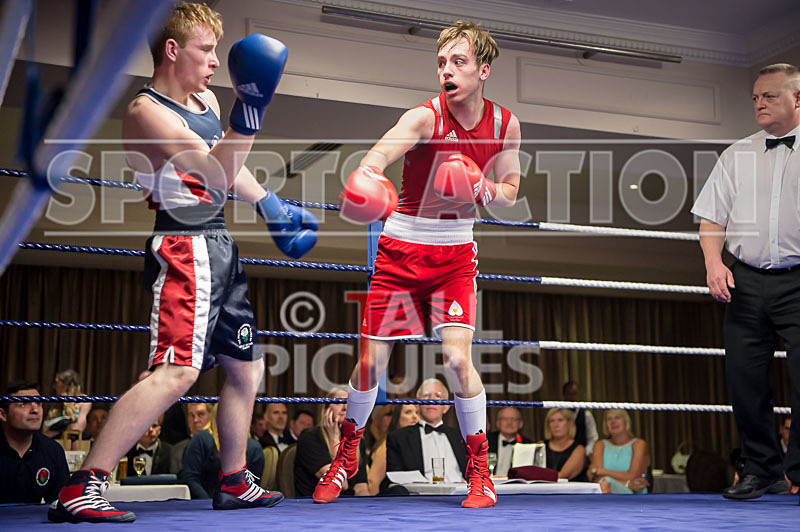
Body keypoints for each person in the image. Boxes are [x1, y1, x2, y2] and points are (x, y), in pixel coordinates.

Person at [48, 3, 312, 522]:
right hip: (183, 245)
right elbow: (214, 172)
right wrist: (252, 109)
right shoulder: (146, 112)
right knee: (177, 374)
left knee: (246, 367)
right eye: (205, 49)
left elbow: (228, 171)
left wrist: (267, 203)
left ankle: (234, 479)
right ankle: (83, 484)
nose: (215, 62)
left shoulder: (206, 99)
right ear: (172, 50)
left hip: (218, 241)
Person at [317, 20, 521, 509]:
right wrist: (367, 175)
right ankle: (347, 456)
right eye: (441, 62)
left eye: (458, 61)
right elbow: (379, 155)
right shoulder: (424, 117)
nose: (446, 71)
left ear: (484, 69)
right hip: (402, 247)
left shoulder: (505, 125)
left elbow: (511, 192)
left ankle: (479, 471)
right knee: (371, 362)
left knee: (455, 359)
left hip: (455, 252)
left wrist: (483, 189)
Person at [691, 62, 800, 501]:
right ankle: (761, 471)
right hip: (745, 280)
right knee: (744, 378)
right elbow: (712, 218)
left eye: (769, 95)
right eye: (755, 97)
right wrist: (714, 264)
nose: (759, 103)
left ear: (797, 98)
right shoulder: (736, 154)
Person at [386, 379, 467, 483]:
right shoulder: (399, 438)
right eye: (426, 395)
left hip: (461, 493)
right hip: (420, 495)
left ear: (446, 407)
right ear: (417, 405)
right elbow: (396, 478)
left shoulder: (460, 436)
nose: (431, 400)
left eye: (437, 396)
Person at [1, 381, 69, 504]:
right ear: (3, 414)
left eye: (38, 403)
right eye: (23, 404)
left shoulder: (52, 450)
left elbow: (60, 504)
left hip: (32, 521)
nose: (35, 410)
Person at [295, 388, 369, 498]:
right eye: (339, 403)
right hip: (316, 505)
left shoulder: (357, 440)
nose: (345, 408)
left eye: (349, 403)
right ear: (326, 410)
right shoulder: (310, 438)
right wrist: (334, 439)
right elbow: (339, 484)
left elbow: (361, 487)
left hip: (349, 504)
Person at [182, 405, 264, 499]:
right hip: (204, 505)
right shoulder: (202, 439)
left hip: (240, 506)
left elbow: (254, 485)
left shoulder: (254, 448)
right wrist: (208, 503)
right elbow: (191, 478)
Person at [587, 409, 650, 494]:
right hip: (606, 489)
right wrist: (626, 484)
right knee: (604, 483)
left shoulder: (638, 444)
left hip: (633, 494)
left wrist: (602, 471)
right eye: (609, 419)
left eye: (617, 417)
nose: (613, 422)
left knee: (605, 482)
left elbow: (633, 476)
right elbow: (597, 478)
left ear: (626, 421)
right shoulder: (600, 445)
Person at [367, 403, 419, 495]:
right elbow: (372, 482)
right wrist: (373, 506)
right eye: (408, 412)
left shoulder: (411, 444)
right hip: (386, 500)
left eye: (417, 412)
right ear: (397, 417)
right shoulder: (387, 443)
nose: (415, 417)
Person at [42, 369, 92, 438]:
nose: (54, 386)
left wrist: (59, 431)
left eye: (57, 383)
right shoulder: (56, 401)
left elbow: (77, 428)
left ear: (65, 385)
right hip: (52, 441)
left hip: (73, 442)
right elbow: (44, 431)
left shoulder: (84, 401)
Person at [541, 408, 586, 481]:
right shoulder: (541, 445)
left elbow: (563, 475)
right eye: (552, 421)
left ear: (570, 423)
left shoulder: (579, 449)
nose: (556, 425)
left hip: (570, 490)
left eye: (560, 420)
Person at [487, 406, 532, 476]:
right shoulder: (486, 441)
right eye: (505, 419)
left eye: (514, 419)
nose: (509, 422)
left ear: (521, 424)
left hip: (516, 485)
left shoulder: (528, 445)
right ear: (498, 423)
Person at [562, 380, 598, 457]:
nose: (572, 397)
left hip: (582, 457)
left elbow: (593, 438)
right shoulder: (558, 415)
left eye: (574, 394)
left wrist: (584, 453)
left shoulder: (586, 415)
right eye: (569, 394)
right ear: (564, 395)